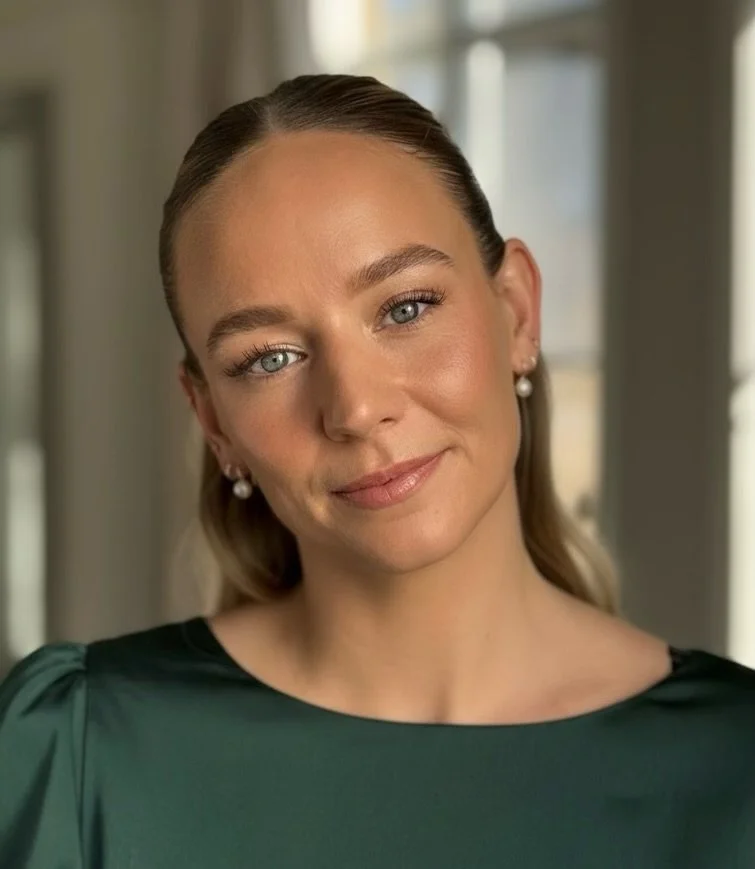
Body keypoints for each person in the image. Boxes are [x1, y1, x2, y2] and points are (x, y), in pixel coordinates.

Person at [1, 74, 753, 868]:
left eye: (404, 308)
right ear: (213, 419)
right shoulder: (76, 752)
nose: (354, 408)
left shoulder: (735, 767)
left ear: (516, 315)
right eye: (269, 358)